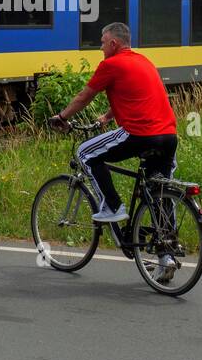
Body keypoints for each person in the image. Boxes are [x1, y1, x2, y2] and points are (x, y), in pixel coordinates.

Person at [49, 21, 179, 281]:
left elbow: (84, 97)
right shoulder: (143, 62)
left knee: (86, 152)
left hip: (139, 133)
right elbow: (138, 95)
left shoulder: (111, 64)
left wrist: (62, 117)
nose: (100, 47)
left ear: (113, 44)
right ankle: (167, 255)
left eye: (101, 42)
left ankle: (113, 206)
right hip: (168, 136)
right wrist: (109, 116)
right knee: (158, 189)